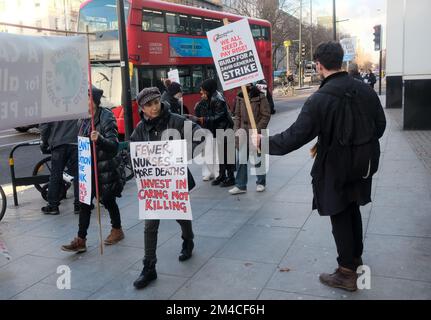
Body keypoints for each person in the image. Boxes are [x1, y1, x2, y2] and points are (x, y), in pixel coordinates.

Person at [253, 41, 386, 291]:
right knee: (352, 208)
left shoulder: (320, 99)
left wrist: (262, 142)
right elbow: (380, 126)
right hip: (364, 163)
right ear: (340, 60)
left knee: (340, 214)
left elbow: (294, 137)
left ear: (319, 65)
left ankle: (346, 272)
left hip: (336, 167)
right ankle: (354, 258)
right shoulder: (365, 90)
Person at [131, 87, 201, 290]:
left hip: (175, 181)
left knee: (180, 215)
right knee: (150, 225)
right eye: (148, 105)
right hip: (154, 185)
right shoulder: (140, 129)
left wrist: (182, 155)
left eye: (155, 103)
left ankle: (188, 240)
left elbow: (199, 135)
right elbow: (133, 151)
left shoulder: (176, 120)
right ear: (142, 109)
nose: (153, 108)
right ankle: (149, 267)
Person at [61, 86, 126, 253]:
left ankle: (117, 230)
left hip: (104, 168)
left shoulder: (106, 117)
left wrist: (100, 139)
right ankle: (81, 239)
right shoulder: (82, 119)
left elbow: (113, 146)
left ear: (95, 101)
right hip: (87, 169)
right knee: (84, 203)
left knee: (108, 200)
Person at [229, 83, 271, 195]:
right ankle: (240, 185)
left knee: (258, 157)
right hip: (243, 131)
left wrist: (257, 130)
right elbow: (237, 115)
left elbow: (266, 115)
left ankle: (261, 182)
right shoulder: (240, 96)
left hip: (256, 131)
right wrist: (236, 129)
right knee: (241, 159)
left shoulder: (260, 96)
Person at [197, 79, 235, 187]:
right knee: (222, 155)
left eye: (202, 90)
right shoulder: (211, 97)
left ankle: (231, 177)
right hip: (219, 129)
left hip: (225, 129)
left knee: (227, 155)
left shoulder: (218, 99)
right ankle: (222, 175)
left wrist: (203, 119)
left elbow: (218, 116)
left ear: (208, 90)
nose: (201, 92)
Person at [40, 120, 79, 215]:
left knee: (55, 174)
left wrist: (44, 143)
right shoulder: (77, 104)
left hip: (58, 143)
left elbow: (45, 126)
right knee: (79, 174)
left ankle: (53, 205)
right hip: (76, 142)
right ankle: (79, 205)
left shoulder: (50, 106)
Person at [194, 98, 219, 181]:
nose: (202, 94)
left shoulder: (217, 102)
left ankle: (216, 172)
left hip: (214, 131)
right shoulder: (199, 105)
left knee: (215, 153)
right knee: (206, 153)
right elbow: (197, 119)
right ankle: (208, 172)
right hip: (204, 131)